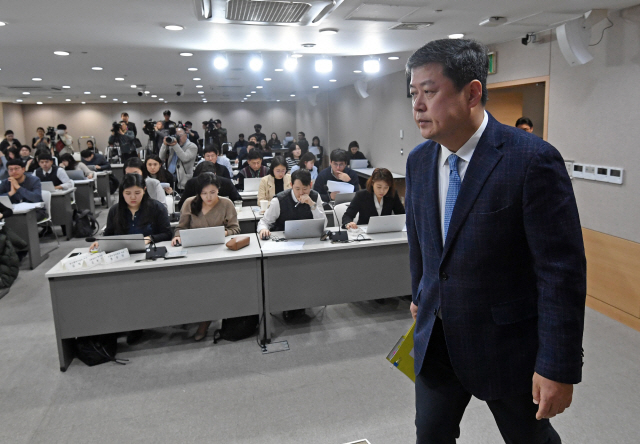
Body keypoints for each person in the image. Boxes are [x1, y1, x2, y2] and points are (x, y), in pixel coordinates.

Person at [405, 38, 586, 443]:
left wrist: (557, 364)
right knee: (430, 436)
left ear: (472, 92)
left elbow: (561, 273)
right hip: (436, 341)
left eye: (429, 92)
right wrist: (418, 292)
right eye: (413, 93)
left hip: (506, 346)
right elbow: (420, 239)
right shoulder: (419, 161)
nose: (417, 105)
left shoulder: (531, 160)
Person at [172, 174, 241, 340]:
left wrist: (221, 232)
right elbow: (180, 228)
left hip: (219, 253)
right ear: (198, 193)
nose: (209, 197)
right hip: (193, 253)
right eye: (204, 193)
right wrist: (177, 237)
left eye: (213, 192)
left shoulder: (226, 203)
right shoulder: (190, 203)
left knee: (209, 285)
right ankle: (193, 315)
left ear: (218, 190)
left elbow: (235, 230)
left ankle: (205, 320)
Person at [257, 168, 326, 239]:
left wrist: (312, 204)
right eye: (297, 189)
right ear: (291, 185)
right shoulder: (279, 200)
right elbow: (264, 222)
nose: (301, 193)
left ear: (310, 185)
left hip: (309, 239)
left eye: (305, 189)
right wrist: (263, 229)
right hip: (284, 240)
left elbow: (323, 225)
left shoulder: (315, 196)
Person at [176, 163, 242, 211]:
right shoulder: (192, 183)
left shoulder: (226, 182)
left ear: (215, 174)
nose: (207, 180)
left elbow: (238, 200)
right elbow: (182, 205)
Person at [159, 127, 197, 192]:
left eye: (179, 136)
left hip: (183, 180)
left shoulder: (192, 146)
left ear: (186, 135)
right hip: (169, 176)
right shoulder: (172, 145)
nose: (178, 138)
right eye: (176, 136)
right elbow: (161, 157)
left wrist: (175, 145)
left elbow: (184, 158)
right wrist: (164, 145)